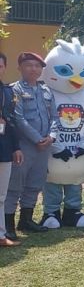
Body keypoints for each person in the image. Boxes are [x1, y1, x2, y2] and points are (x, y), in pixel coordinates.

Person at [5, 52, 56, 239]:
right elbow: (18, 119)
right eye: (29, 65)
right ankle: (8, 225)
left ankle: (26, 220)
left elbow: (55, 117)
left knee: (35, 184)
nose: (33, 69)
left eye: (37, 66)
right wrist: (38, 139)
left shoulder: (47, 91)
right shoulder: (14, 90)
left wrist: (51, 137)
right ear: (20, 68)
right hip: (24, 146)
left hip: (44, 146)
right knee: (14, 186)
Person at [0, 53, 24, 246]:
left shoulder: (8, 92)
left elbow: (13, 121)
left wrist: (16, 147)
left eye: (0, 66)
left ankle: (1, 235)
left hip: (4, 148)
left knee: (1, 195)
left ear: (4, 68)